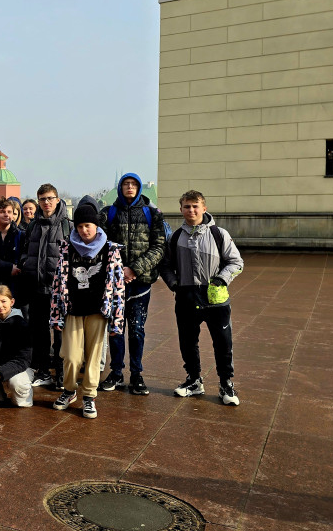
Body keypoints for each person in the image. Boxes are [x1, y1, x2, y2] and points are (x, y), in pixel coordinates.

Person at [159, 190, 244, 406]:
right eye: (187, 206)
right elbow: (166, 266)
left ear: (204, 208)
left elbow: (236, 262)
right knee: (188, 342)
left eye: (195, 206)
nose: (191, 210)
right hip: (186, 296)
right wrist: (174, 284)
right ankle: (194, 381)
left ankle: (226, 383)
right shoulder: (176, 237)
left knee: (223, 342)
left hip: (215, 298)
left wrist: (221, 280)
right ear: (181, 210)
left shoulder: (219, 234)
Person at [49, 196, 125, 420]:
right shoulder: (66, 248)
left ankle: (89, 396)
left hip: (97, 311)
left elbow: (118, 287)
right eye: (80, 226)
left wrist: (117, 320)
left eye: (88, 226)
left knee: (93, 357)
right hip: (72, 309)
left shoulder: (110, 250)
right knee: (71, 357)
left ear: (96, 226)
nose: (84, 230)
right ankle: (69, 390)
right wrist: (56, 316)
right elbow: (57, 283)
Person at [98, 173, 166, 396]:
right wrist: (118, 270)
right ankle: (116, 372)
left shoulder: (151, 213)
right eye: (126, 184)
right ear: (120, 187)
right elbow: (100, 243)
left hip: (140, 283)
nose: (130, 187)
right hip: (115, 284)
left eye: (133, 184)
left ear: (139, 188)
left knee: (137, 330)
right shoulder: (109, 212)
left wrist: (134, 269)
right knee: (116, 330)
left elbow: (158, 248)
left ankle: (136, 374)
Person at [19, 183, 72, 389]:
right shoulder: (33, 225)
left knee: (60, 333)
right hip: (36, 286)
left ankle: (60, 371)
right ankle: (43, 370)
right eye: (42, 199)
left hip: (58, 289)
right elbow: (25, 249)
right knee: (39, 331)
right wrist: (25, 263)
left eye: (50, 198)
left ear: (58, 200)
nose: (46, 202)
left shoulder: (66, 225)